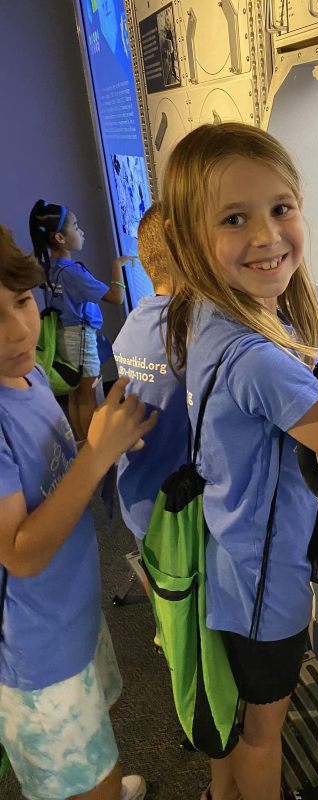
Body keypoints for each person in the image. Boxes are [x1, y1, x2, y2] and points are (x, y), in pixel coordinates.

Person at [161, 122, 318, 800]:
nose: (269, 236)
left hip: (229, 562)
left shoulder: (210, 314)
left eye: (281, 208)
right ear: (190, 238)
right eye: (236, 219)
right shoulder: (260, 358)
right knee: (263, 736)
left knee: (230, 721)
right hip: (267, 588)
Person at [0, 224, 156, 800]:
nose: (19, 330)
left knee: (96, 750)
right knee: (84, 781)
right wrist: (97, 454)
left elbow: (60, 473)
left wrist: (103, 440)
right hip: (35, 650)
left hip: (69, 612)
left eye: (20, 303)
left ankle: (104, 782)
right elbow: (20, 552)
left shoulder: (30, 374)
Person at [113, 203, 186, 597]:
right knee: (187, 609)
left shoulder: (135, 323)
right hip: (179, 512)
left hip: (138, 495)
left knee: (167, 597)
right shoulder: (192, 333)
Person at [29, 199, 132, 440]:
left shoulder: (49, 267)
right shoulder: (73, 271)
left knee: (76, 394)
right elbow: (115, 297)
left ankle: (81, 441)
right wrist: (118, 266)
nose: (81, 231)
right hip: (81, 339)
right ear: (60, 238)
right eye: (75, 227)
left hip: (65, 336)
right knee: (88, 396)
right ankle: (93, 448)